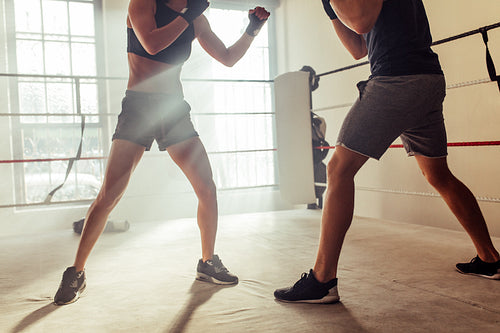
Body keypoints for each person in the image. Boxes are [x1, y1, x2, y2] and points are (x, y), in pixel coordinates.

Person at [274, 0, 500, 304]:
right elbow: (359, 47)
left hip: (398, 80)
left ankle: (322, 278)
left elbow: (361, 23)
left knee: (338, 169)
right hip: (425, 79)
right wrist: (330, 9)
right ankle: (490, 258)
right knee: (438, 175)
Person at [54, 0, 270, 305]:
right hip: (139, 106)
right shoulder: (143, 4)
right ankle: (76, 271)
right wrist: (188, 14)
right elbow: (153, 44)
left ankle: (207, 263)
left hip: (173, 110)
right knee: (110, 194)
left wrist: (252, 30)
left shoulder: (195, 18)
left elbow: (228, 57)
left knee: (207, 188)